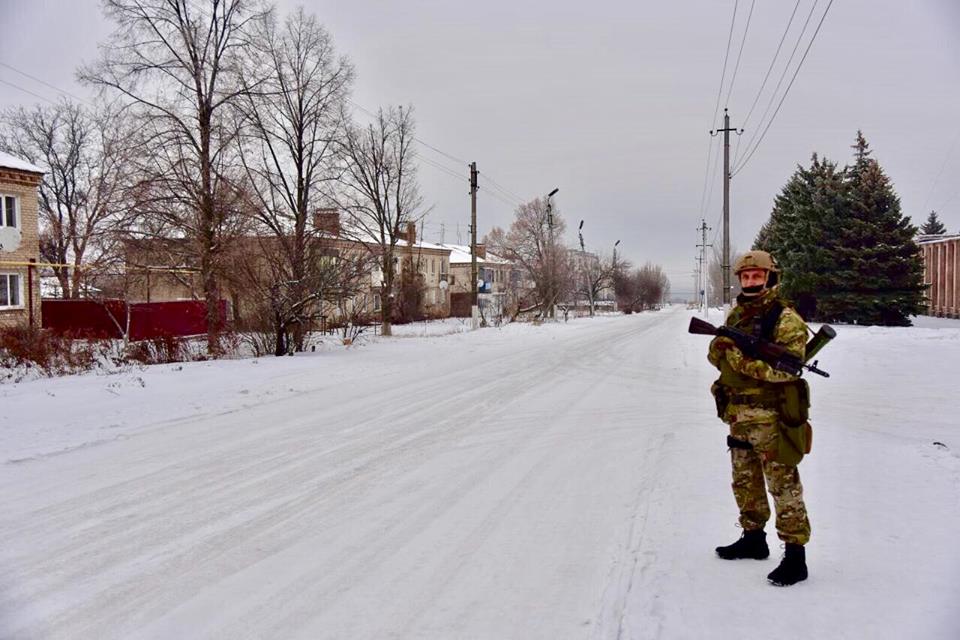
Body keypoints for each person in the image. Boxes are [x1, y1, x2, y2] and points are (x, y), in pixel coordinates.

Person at [707, 250, 811, 586]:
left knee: (783, 485)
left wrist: (739, 360)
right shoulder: (737, 315)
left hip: (772, 416)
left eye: (757, 276)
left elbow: (789, 372)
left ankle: (796, 555)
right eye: (746, 276)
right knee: (745, 481)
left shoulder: (785, 319)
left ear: (769, 277)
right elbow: (718, 358)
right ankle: (754, 539)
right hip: (738, 414)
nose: (751, 281)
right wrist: (720, 349)